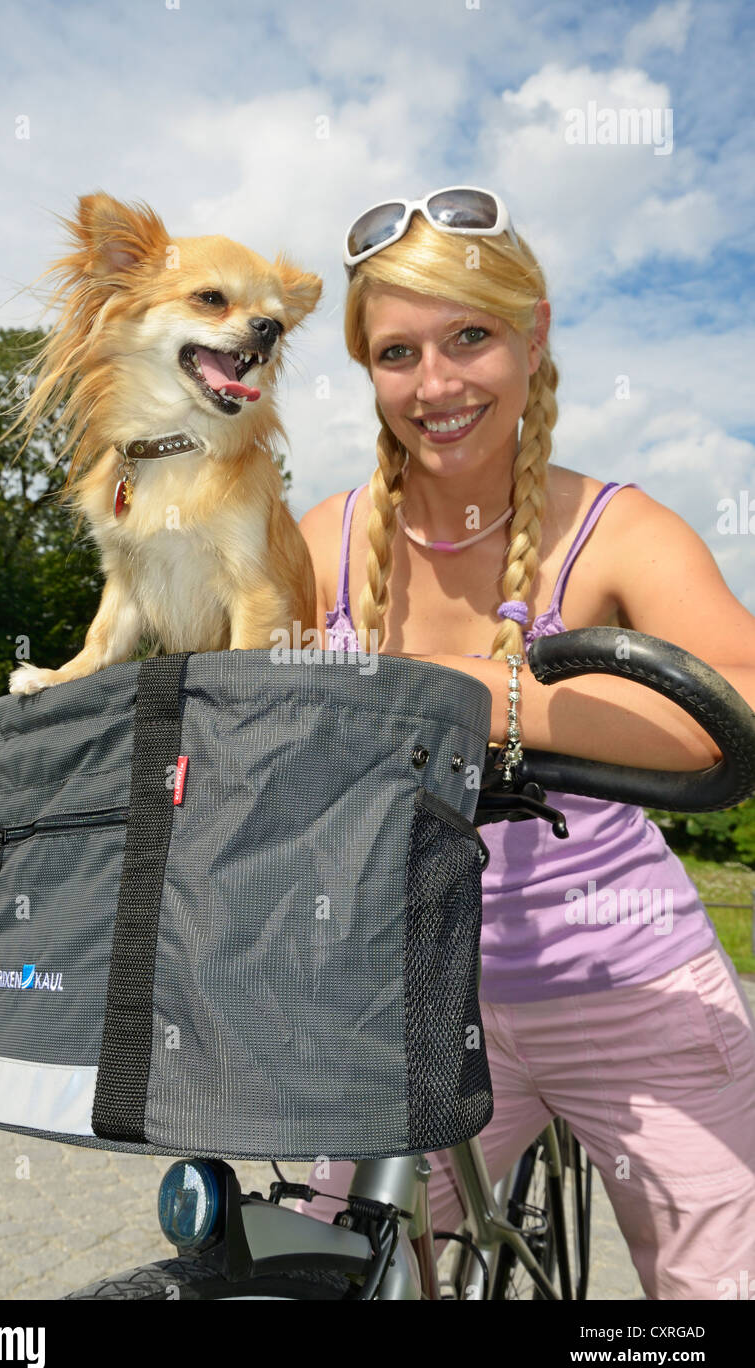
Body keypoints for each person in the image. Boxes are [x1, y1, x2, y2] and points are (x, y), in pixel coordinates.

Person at [294, 187, 755, 1300]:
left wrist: (473, 694)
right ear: (367, 367)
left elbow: (735, 699)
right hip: (408, 1003)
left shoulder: (618, 525)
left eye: (471, 337)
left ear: (533, 332)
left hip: (632, 984)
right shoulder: (322, 536)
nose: (436, 384)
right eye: (397, 351)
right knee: (330, 1271)